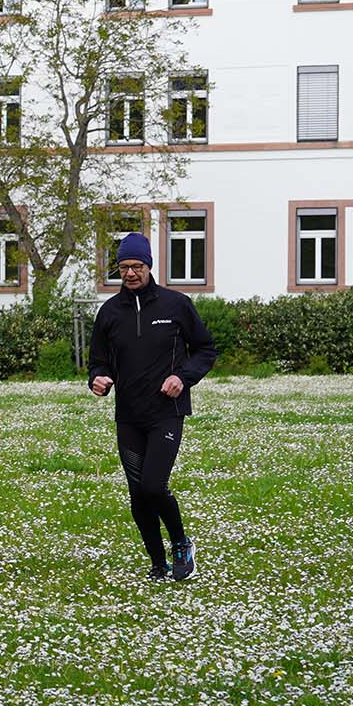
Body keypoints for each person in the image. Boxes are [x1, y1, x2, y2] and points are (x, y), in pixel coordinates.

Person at [88, 232, 217, 582]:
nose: (130, 274)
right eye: (123, 267)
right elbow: (97, 362)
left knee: (153, 486)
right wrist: (97, 380)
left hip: (166, 413)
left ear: (149, 266)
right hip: (129, 416)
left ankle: (181, 544)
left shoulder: (175, 305)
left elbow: (206, 349)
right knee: (137, 494)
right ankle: (157, 562)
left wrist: (183, 377)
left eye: (137, 266)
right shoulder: (110, 312)